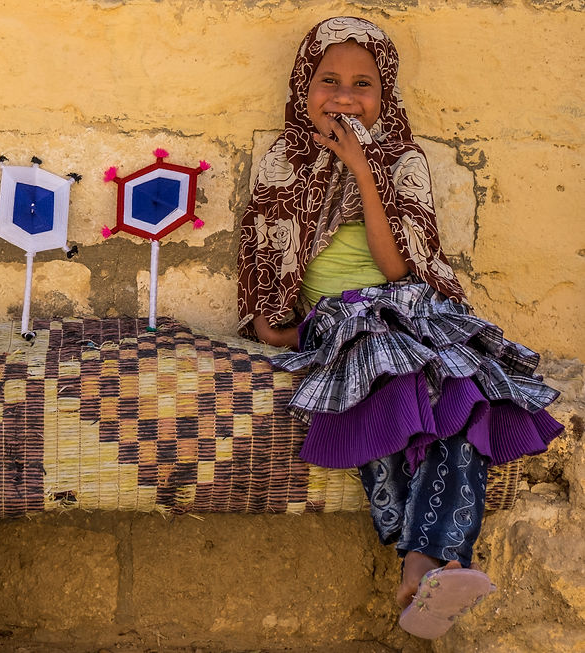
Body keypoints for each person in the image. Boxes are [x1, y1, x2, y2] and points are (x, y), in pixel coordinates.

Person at [236, 16, 564, 639]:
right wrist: (269, 324)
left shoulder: (401, 160)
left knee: (459, 389)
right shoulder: (282, 161)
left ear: (383, 96)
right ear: (303, 88)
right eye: (328, 80)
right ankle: (429, 559)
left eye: (363, 84)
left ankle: (425, 560)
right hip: (340, 318)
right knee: (388, 383)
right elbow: (263, 252)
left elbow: (398, 265)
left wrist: (364, 168)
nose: (344, 96)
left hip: (407, 303)